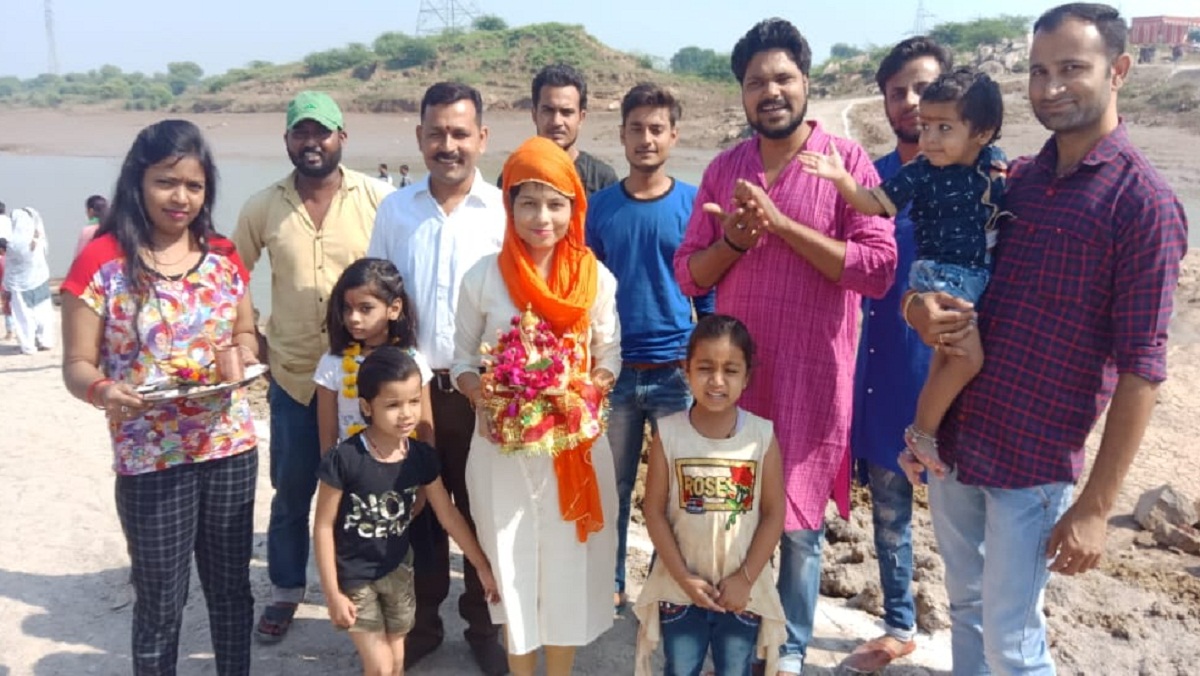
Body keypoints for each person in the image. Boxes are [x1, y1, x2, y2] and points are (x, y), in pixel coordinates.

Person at [902, 4, 1188, 673]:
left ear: (1118, 70)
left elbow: (1143, 371)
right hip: (958, 444)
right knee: (964, 611)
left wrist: (1095, 510)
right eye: (1038, 70)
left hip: (1032, 465)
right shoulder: (1016, 180)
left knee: (1013, 639)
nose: (1050, 85)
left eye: (1071, 69)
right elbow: (948, 270)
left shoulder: (1142, 205)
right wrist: (917, 307)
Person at [673, 18, 896, 674]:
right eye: (754, 82)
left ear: (806, 82)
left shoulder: (846, 164)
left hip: (812, 377)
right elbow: (690, 273)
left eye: (782, 78)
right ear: (741, 95)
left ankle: (790, 651)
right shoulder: (723, 170)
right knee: (731, 518)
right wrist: (737, 242)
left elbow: (877, 268)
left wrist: (783, 226)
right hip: (735, 381)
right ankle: (734, 640)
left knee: (798, 528)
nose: (769, 91)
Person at [60, 119, 260, 675]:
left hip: (229, 446)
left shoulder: (222, 253)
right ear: (138, 181)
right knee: (160, 604)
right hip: (150, 455)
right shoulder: (101, 260)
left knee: (230, 591)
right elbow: (76, 365)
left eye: (194, 186)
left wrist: (240, 358)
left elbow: (245, 333)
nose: (181, 198)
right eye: (167, 182)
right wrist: (103, 390)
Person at [451, 136, 620, 676]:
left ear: (575, 206)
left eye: (555, 202)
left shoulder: (596, 280)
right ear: (509, 206)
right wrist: (485, 393)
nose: (541, 217)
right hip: (501, 453)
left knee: (568, 571)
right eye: (527, 202)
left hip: (574, 452)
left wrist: (586, 389)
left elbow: (609, 353)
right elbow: (459, 359)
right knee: (512, 566)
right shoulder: (483, 277)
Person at [233, 90, 395, 644]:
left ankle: (367, 586)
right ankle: (283, 589)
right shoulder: (263, 206)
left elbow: (402, 276)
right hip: (297, 378)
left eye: (321, 132)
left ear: (341, 138)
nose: (311, 143)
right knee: (294, 488)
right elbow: (232, 273)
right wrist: (247, 334)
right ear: (287, 141)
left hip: (367, 380)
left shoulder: (377, 197)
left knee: (373, 485)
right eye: (301, 133)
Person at [366, 81, 508, 674]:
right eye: (435, 133)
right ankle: (421, 627)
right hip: (413, 394)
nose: (447, 145)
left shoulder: (503, 210)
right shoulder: (397, 209)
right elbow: (375, 294)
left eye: (459, 133)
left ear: (482, 137)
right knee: (415, 514)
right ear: (419, 137)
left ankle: (483, 626)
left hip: (485, 393)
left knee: (485, 513)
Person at [800, 67, 1007, 468]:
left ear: (982, 133)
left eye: (944, 128)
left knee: (946, 360)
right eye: (926, 127)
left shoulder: (991, 164)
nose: (929, 139)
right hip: (940, 277)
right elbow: (873, 203)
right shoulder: (920, 172)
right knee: (967, 358)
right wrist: (841, 179)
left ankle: (924, 432)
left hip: (971, 275)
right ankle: (922, 432)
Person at [840, 35, 951, 674]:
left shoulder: (981, 181)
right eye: (897, 91)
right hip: (881, 368)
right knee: (889, 512)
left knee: (971, 519)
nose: (910, 101)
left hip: (955, 375)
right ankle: (900, 625)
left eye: (923, 88)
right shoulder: (872, 181)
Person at [585, 82, 714, 611]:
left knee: (680, 491)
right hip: (615, 371)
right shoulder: (600, 208)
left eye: (656, 128)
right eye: (636, 128)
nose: (645, 138)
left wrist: (702, 364)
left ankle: (670, 585)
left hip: (675, 372)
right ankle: (609, 583)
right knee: (609, 488)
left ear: (673, 136)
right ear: (621, 135)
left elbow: (706, 292)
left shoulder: (693, 204)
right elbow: (587, 290)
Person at [313, 346, 501, 676]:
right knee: (381, 666)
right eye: (393, 405)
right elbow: (324, 527)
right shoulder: (343, 460)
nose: (406, 414)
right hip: (355, 577)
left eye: (414, 401)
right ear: (366, 406)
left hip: (399, 575)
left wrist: (482, 566)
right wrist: (332, 593)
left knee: (397, 663)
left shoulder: (420, 458)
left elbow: (449, 515)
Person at [633, 314, 787, 676]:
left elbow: (774, 512)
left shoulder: (761, 437)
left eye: (731, 370)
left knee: (735, 669)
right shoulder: (668, 434)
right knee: (681, 667)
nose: (717, 381)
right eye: (705, 368)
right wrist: (683, 578)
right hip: (680, 590)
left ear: (747, 377)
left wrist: (745, 579)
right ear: (686, 370)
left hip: (741, 594)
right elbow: (653, 511)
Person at [314, 257, 435, 453]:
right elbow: (327, 436)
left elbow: (425, 427)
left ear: (394, 309)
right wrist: (333, 475)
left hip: (403, 470)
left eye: (365, 309)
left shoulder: (413, 361)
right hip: (353, 471)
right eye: (347, 308)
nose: (353, 318)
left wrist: (427, 473)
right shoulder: (333, 363)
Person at [528, 63, 617, 195]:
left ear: (581, 117)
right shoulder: (518, 174)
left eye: (566, 112)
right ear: (534, 115)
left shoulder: (602, 181)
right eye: (548, 111)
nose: (557, 121)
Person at [3, 206, 55, 354]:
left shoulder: (12, 244)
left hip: (19, 285)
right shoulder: (38, 240)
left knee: (23, 316)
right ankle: (45, 340)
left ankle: (28, 346)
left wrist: (6, 287)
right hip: (40, 280)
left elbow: (9, 267)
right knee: (43, 312)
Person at [74, 194, 109, 258]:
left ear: (91, 211)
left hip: (92, 265)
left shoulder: (87, 230)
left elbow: (79, 256)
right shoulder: (113, 229)